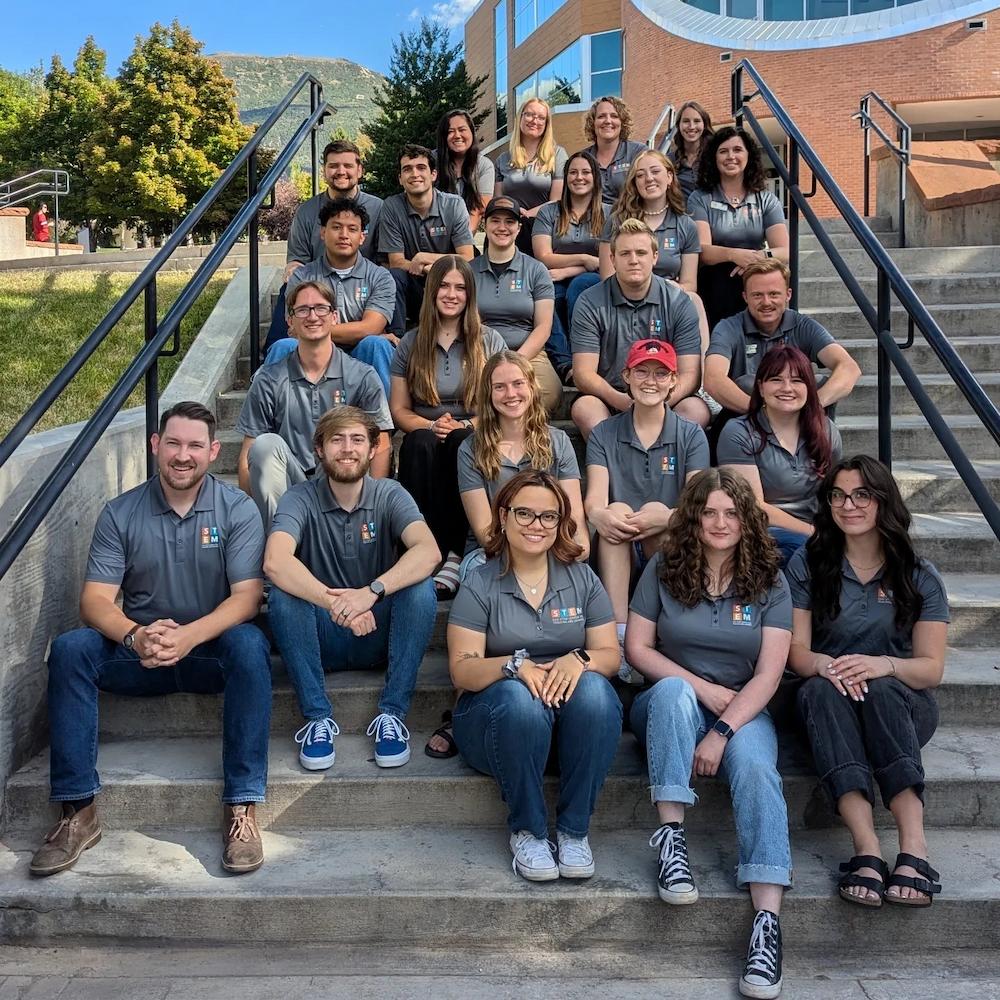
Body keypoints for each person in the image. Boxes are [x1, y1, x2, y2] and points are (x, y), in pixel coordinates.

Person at [30, 402, 272, 878]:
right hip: (139, 654)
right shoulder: (121, 513)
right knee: (71, 649)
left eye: (196, 446)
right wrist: (136, 635)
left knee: (249, 645)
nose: (184, 456)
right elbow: (95, 601)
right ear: (155, 445)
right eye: (175, 443)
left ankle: (242, 808)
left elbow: (247, 597)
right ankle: (78, 811)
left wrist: (188, 637)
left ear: (213, 451)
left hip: (207, 653)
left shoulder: (237, 509)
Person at [625, 469, 792, 999]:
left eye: (732, 512)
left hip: (741, 710)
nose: (720, 523)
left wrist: (722, 728)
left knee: (759, 770)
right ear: (694, 517)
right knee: (674, 694)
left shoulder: (771, 578)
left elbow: (768, 675)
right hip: (667, 704)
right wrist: (701, 688)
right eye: (710, 512)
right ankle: (672, 839)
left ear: (747, 519)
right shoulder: (664, 566)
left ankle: (767, 925)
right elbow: (638, 651)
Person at [788, 456, 949, 910]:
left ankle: (914, 847)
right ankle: (867, 849)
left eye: (861, 495)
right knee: (818, 688)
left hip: (900, 704)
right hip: (831, 700)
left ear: (883, 501)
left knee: (878, 690)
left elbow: (931, 668)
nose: (848, 505)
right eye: (838, 495)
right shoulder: (810, 564)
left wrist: (884, 665)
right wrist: (826, 665)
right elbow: (796, 652)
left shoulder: (917, 573)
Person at [448, 470, 622, 881]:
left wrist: (577, 658)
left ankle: (574, 832)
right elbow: (462, 670)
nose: (535, 525)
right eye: (524, 513)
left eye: (548, 517)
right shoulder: (479, 582)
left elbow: (610, 656)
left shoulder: (582, 577)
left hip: (567, 723)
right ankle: (527, 829)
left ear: (561, 524)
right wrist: (514, 665)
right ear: (503, 516)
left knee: (596, 689)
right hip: (497, 721)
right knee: (517, 699)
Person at [264, 407, 440, 771]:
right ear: (319, 449)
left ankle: (392, 716)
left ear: (374, 448)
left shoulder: (390, 493)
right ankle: (317, 719)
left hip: (378, 633)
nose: (348, 449)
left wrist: (370, 593)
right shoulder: (298, 497)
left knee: (421, 589)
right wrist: (336, 603)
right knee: (282, 595)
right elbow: (275, 562)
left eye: (357, 439)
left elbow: (429, 551)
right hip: (320, 634)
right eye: (337, 440)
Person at [585, 339, 710, 663]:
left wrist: (665, 518)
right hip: (618, 547)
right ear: (627, 375)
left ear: (673, 381)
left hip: (669, 546)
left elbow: (698, 509)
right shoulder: (604, 432)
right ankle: (618, 633)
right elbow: (594, 500)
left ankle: (666, 626)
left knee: (660, 514)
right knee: (617, 511)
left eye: (660, 373)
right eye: (642, 371)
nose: (650, 381)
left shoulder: (690, 434)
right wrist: (601, 516)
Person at [390, 256, 507, 598]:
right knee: (418, 443)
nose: (451, 294)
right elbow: (398, 409)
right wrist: (430, 424)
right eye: (443, 285)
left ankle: (455, 552)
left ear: (470, 294)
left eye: (460, 287)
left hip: (474, 429)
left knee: (460, 439)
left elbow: (501, 403)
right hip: (425, 429)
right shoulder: (411, 343)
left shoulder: (489, 341)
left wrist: (465, 423)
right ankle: (423, 546)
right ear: (431, 290)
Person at [236, 281, 394, 526]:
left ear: (334, 316)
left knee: (342, 444)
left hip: (342, 481)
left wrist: (373, 507)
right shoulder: (268, 379)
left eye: (321, 308)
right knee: (265, 445)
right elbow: (249, 454)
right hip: (289, 487)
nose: (312, 316)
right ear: (290, 321)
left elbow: (381, 445)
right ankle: (281, 540)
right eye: (302, 310)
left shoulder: (362, 376)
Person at [571, 218, 706, 438]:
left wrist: (656, 402)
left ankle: (668, 470)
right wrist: (623, 401)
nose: (633, 260)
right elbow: (583, 373)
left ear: (655, 257)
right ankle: (612, 469)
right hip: (612, 395)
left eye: (641, 253)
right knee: (585, 408)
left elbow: (690, 373)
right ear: (612, 259)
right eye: (625, 254)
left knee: (695, 410)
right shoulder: (589, 301)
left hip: (665, 397)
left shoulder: (678, 302)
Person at [459, 349, 588, 563]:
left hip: (550, 546)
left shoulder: (559, 441)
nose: (510, 394)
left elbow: (575, 523)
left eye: (518, 383)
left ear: (531, 386)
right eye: (499, 387)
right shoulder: (470, 448)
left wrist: (578, 552)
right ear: (488, 394)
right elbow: (485, 533)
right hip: (493, 553)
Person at [718, 346, 842, 566]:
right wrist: (813, 533)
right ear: (761, 388)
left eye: (797, 380)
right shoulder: (739, 432)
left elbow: (833, 493)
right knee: (800, 553)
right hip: (761, 531)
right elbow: (752, 506)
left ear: (809, 388)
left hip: (816, 528)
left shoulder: (826, 430)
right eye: (776, 379)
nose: (787, 388)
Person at [263, 198, 397, 394]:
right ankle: (268, 419)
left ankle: (384, 422)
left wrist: (317, 328)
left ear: (362, 237)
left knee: (377, 343)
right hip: (312, 354)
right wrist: (359, 330)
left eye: (352, 229)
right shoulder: (302, 276)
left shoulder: (380, 277)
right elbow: (295, 327)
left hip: (359, 355)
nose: (344, 235)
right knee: (283, 345)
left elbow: (371, 327)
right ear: (323, 233)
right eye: (336, 227)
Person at [704, 259, 861, 418]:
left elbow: (849, 368)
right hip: (747, 422)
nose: (766, 302)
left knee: (820, 383)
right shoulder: (728, 328)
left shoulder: (803, 326)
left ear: (788, 295)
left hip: (800, 422)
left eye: (774, 294)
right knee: (747, 384)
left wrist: (812, 406)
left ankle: (818, 440)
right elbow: (713, 379)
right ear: (745, 297)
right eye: (757, 295)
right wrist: (764, 413)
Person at [266, 139, 383, 352]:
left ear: (359, 170)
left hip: (362, 283)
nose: (341, 171)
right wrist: (294, 267)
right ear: (325, 171)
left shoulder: (379, 208)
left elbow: (384, 256)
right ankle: (270, 359)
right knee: (290, 287)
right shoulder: (307, 211)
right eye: (333, 166)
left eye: (347, 166)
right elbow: (297, 258)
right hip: (317, 283)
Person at [689, 127, 789, 332]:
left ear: (748, 156)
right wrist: (734, 255)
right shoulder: (700, 198)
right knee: (720, 279)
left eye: (737, 150)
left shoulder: (766, 199)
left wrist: (757, 257)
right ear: (714, 158)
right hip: (717, 281)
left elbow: (785, 251)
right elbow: (702, 250)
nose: (731, 156)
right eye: (723, 151)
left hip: (756, 275)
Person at [470, 196, 560, 414]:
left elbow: (543, 327)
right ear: (485, 225)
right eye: (495, 221)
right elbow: (468, 323)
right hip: (479, 351)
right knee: (470, 392)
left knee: (549, 392)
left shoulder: (536, 270)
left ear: (519, 228)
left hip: (528, 351)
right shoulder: (468, 271)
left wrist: (515, 361)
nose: (502, 227)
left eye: (509, 222)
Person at [380, 144, 475, 335]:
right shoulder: (392, 206)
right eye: (407, 169)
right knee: (393, 276)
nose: (414, 174)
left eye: (421, 168)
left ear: (433, 175)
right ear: (400, 179)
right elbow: (396, 262)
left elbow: (467, 257)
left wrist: (424, 258)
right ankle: (397, 339)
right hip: (413, 284)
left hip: (449, 282)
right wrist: (425, 268)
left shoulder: (453, 205)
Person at [531, 151, 604, 384]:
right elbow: (543, 256)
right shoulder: (549, 212)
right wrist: (585, 259)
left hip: (596, 279)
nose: (579, 177)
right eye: (573, 172)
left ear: (595, 178)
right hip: (554, 278)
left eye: (585, 172)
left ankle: (583, 355)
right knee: (543, 297)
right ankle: (565, 364)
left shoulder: (611, 213)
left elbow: (611, 261)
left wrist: (571, 270)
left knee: (580, 286)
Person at [494, 98, 568, 254]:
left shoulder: (558, 155)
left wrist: (527, 214)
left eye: (541, 118)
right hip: (509, 225)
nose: (535, 121)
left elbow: (557, 200)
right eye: (530, 115)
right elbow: (498, 201)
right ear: (520, 117)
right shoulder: (503, 159)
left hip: (543, 227)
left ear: (547, 124)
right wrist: (513, 212)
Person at [436, 108, 495, 233]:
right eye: (450, 131)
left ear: (472, 133)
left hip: (465, 234)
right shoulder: (431, 161)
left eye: (462, 130)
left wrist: (463, 239)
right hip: (433, 233)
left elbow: (479, 209)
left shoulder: (484, 165)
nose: (457, 135)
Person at [582, 96, 647, 206]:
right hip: (592, 220)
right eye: (601, 116)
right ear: (593, 123)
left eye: (614, 116)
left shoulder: (639, 152)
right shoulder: (583, 158)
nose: (608, 121)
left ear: (622, 122)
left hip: (630, 219)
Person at [671, 101, 714, 203]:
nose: (691, 126)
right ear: (679, 125)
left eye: (697, 121)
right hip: (682, 215)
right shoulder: (669, 160)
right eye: (686, 121)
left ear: (704, 124)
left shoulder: (715, 156)